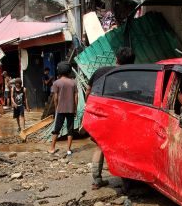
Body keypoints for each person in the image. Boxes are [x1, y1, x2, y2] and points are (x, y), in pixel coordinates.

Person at [87, 46, 135, 189]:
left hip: (100, 115)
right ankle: (127, 182)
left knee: (100, 146)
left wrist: (90, 109)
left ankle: (97, 180)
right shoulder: (134, 75)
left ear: (116, 59)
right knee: (122, 148)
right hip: (121, 116)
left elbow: (88, 91)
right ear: (132, 62)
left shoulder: (100, 72)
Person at [49, 62, 77, 155]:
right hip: (70, 109)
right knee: (70, 129)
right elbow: (76, 97)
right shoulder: (73, 82)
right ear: (69, 71)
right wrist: (75, 108)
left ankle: (52, 148)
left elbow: (55, 97)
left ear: (59, 71)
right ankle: (68, 149)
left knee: (57, 128)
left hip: (60, 109)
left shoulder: (56, 82)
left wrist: (56, 107)